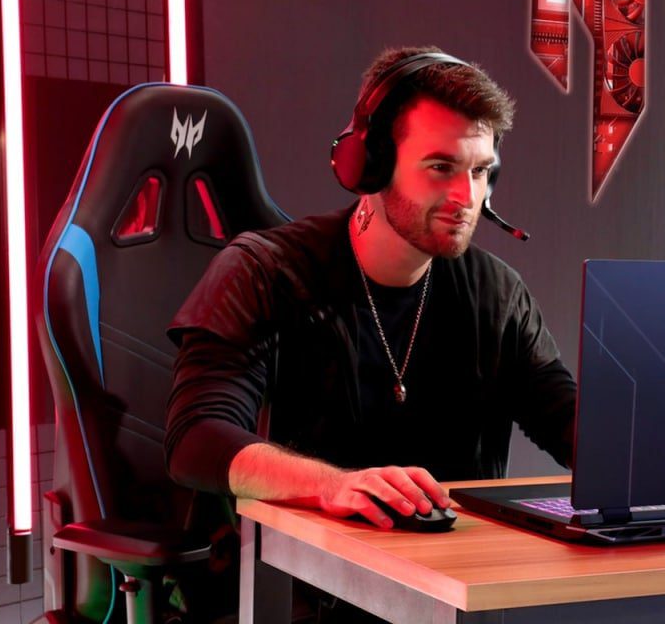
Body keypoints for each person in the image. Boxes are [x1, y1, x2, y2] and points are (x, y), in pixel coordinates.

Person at [164, 46, 576, 533]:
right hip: (299, 571)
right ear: (371, 165)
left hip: (450, 573)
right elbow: (196, 440)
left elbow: (565, 419)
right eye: (441, 167)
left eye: (480, 171)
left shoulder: (497, 294)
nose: (467, 197)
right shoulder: (263, 273)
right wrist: (332, 485)